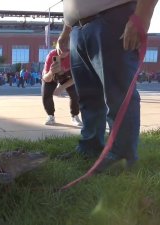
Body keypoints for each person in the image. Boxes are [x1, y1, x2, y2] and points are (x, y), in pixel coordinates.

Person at [57, 0, 158, 172]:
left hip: (112, 19)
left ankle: (122, 155)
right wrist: (66, 31)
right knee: (88, 96)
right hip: (77, 28)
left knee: (118, 94)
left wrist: (142, 16)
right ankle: (90, 146)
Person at [41, 48, 82, 127]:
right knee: (46, 94)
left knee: (75, 94)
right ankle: (50, 116)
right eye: (60, 49)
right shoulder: (51, 55)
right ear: (57, 46)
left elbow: (75, 78)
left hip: (67, 75)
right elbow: (45, 78)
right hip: (52, 74)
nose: (62, 52)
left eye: (66, 50)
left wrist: (61, 88)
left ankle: (75, 115)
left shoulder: (74, 56)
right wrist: (51, 72)